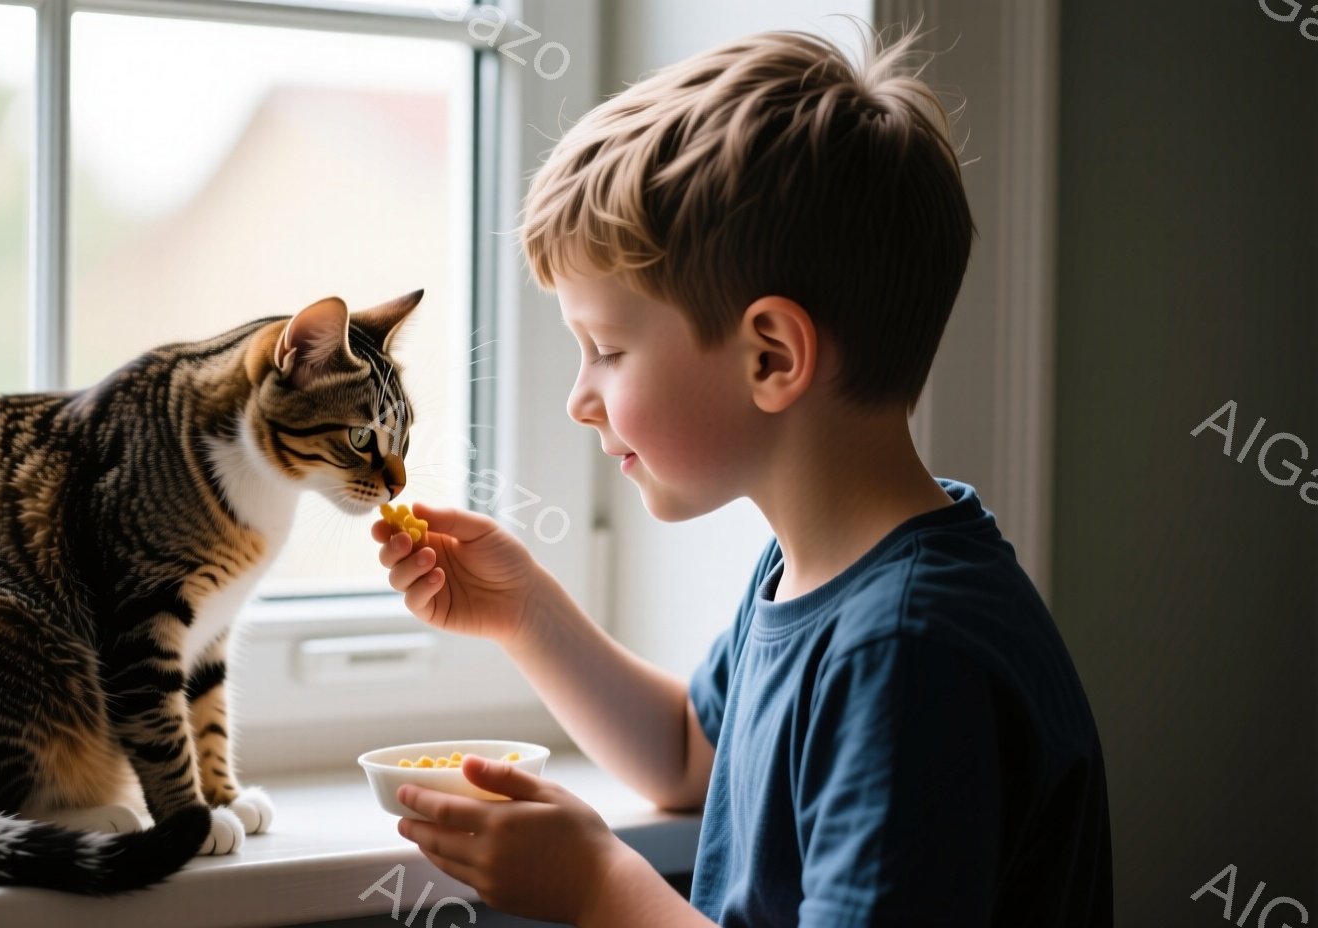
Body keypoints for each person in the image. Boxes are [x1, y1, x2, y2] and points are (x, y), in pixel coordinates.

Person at [374, 21, 1113, 927]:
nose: (580, 398)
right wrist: (525, 611)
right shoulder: (811, 572)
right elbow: (688, 752)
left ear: (771, 356)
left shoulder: (906, 654)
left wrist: (601, 888)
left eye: (606, 348)